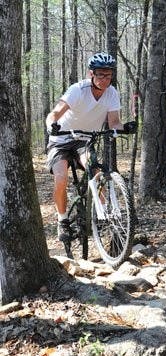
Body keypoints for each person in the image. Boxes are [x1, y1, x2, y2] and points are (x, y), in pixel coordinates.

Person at [46, 52, 136, 241]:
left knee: (95, 172)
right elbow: (54, 114)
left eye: (108, 75)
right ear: (91, 74)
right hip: (61, 139)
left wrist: (125, 127)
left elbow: (114, 122)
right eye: (100, 74)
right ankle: (62, 221)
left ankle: (103, 215)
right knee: (61, 178)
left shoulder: (112, 93)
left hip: (84, 141)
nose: (105, 79)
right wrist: (52, 126)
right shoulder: (78, 90)